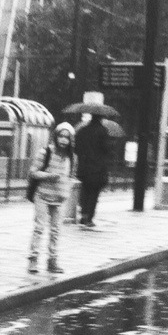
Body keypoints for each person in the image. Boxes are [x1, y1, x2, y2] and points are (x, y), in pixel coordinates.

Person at [26, 122, 72, 274]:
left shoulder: (71, 157)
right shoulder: (45, 152)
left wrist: (66, 192)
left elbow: (69, 177)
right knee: (39, 228)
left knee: (55, 231)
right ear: (56, 136)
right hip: (43, 196)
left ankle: (52, 261)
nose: (64, 140)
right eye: (61, 136)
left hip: (59, 198)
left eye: (67, 137)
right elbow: (33, 172)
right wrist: (49, 176)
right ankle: (33, 260)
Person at [74, 114, 112, 228]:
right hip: (98, 168)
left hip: (84, 167)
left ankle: (83, 214)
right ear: (101, 118)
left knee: (84, 192)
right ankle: (89, 218)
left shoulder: (82, 131)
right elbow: (106, 149)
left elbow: (76, 148)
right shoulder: (102, 131)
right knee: (94, 194)